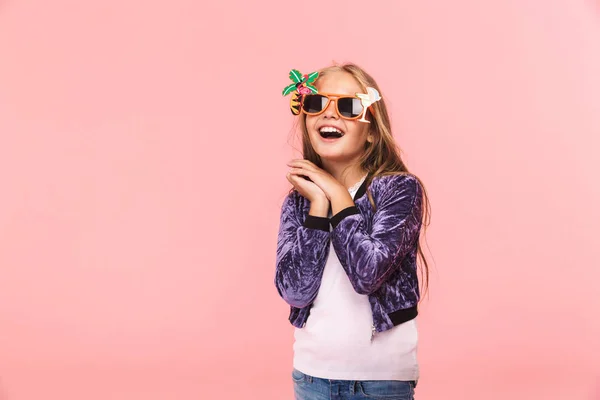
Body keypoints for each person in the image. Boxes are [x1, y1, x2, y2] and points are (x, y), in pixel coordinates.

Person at [275, 63, 431, 400]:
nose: (330, 115)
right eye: (316, 104)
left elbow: (367, 274)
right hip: (312, 376)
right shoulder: (301, 201)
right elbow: (294, 292)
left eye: (348, 106)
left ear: (372, 131)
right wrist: (318, 205)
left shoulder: (399, 190)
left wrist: (338, 196)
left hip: (381, 381)